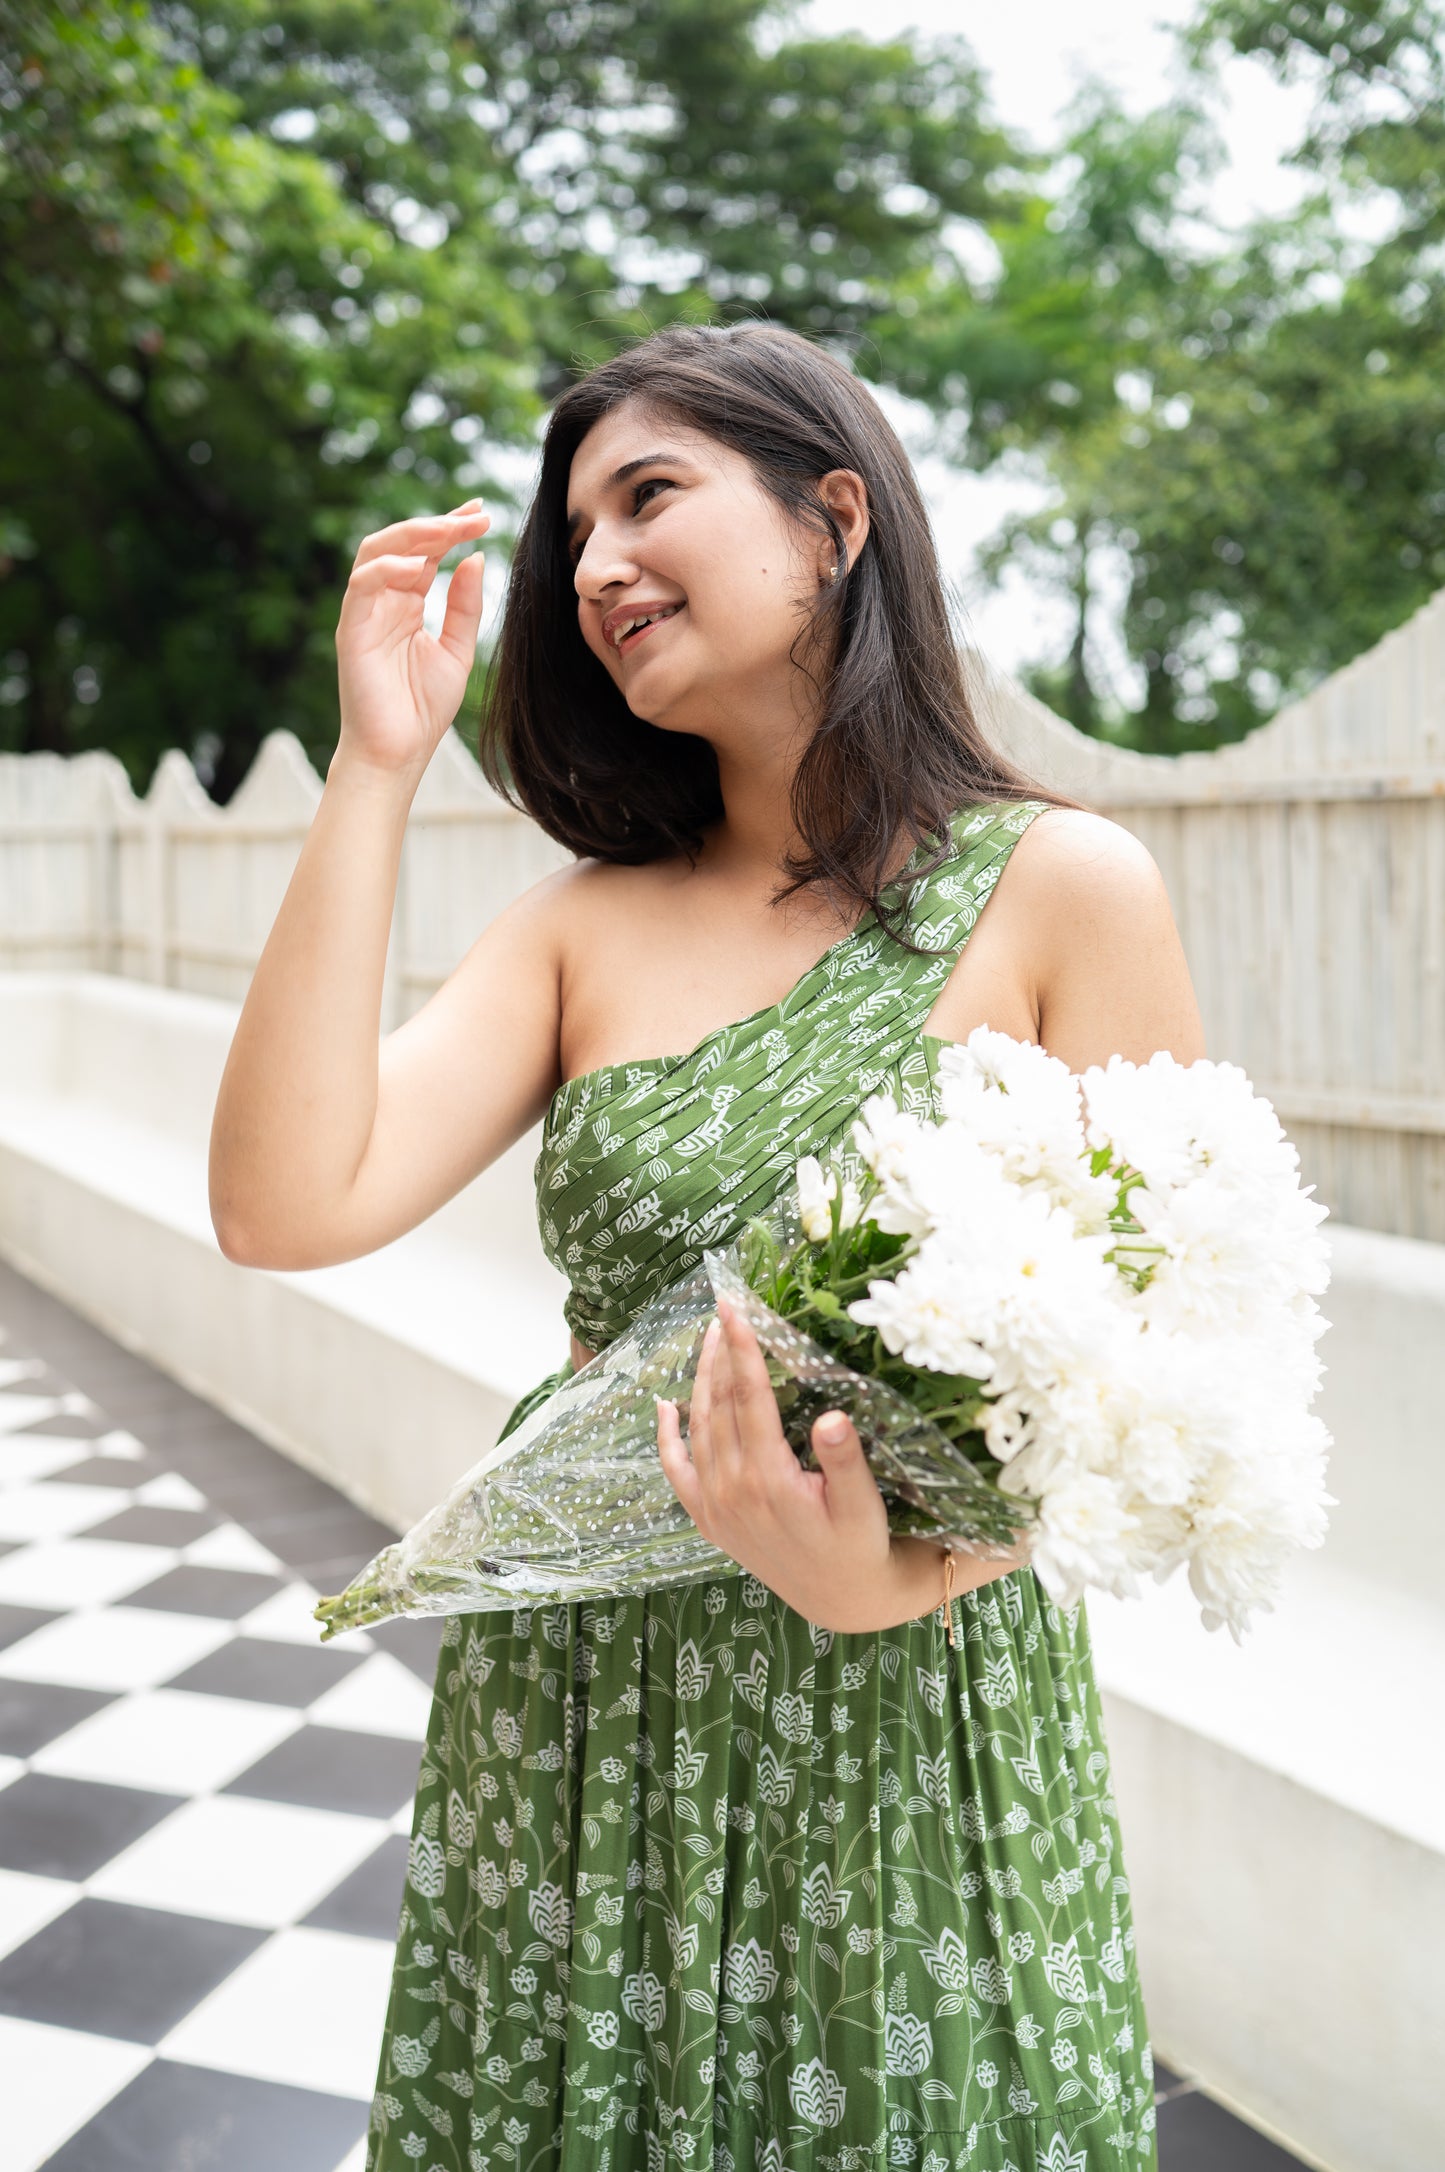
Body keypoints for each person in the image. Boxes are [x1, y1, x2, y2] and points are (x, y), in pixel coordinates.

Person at [210, 321, 1204, 2170]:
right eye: (570, 530)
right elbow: (285, 1202)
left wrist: (891, 1585)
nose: (588, 566)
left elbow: (1154, 1378)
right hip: (596, 1711)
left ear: (832, 519)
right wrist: (374, 765)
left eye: (646, 495)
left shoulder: (1060, 888)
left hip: (906, 1709)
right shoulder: (579, 928)